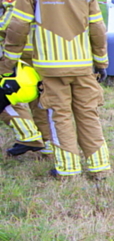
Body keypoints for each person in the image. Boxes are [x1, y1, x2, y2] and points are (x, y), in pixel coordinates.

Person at [0, 0, 111, 179]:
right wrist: (101, 61)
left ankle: (68, 170)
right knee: (88, 113)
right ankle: (100, 166)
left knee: (59, 116)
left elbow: (19, 25)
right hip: (82, 66)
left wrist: (8, 63)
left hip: (50, 67)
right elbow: (97, 26)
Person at [0, 0, 50, 158]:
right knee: (42, 101)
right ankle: (48, 144)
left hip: (22, 50)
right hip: (46, 50)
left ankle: (29, 135)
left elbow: (11, 19)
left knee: (6, 95)